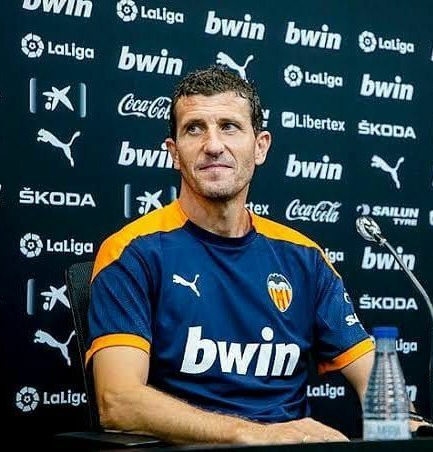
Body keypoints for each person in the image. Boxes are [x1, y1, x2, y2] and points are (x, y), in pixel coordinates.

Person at [86, 66, 376, 444]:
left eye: (229, 127)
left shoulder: (304, 257)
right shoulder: (132, 252)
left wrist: (411, 424)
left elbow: (375, 379)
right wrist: (253, 435)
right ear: (174, 153)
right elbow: (118, 402)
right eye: (194, 129)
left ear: (260, 146)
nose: (213, 145)